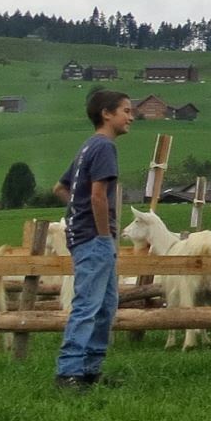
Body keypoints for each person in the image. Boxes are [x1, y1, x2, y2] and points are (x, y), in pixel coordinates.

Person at [52, 89, 133, 392]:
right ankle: (68, 372)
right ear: (106, 114)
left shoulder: (88, 146)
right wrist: (102, 234)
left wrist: (77, 211)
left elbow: (60, 188)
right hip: (94, 238)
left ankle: (90, 370)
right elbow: (98, 195)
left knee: (106, 304)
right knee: (88, 305)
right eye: (126, 111)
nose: (131, 117)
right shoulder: (105, 147)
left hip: (83, 234)